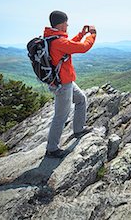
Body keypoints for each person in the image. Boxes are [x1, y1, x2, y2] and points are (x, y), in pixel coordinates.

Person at [44, 10, 97, 158]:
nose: (68, 25)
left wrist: (81, 34)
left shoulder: (52, 38)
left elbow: (68, 45)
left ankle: (78, 129)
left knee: (81, 99)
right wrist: (92, 34)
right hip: (63, 84)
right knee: (61, 116)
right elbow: (82, 48)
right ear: (61, 24)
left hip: (65, 81)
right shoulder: (57, 41)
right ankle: (52, 148)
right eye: (66, 22)